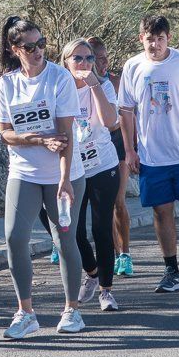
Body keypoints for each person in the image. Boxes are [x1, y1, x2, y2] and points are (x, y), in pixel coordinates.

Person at [0, 16, 87, 338]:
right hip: (24, 172)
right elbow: (5, 134)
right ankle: (26, 312)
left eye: (42, 44)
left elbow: (65, 136)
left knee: (64, 239)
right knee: (14, 237)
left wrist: (64, 181)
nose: (38, 52)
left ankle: (71, 310)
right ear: (14, 49)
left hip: (63, 175)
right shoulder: (7, 84)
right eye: (30, 47)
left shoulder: (59, 79)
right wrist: (35, 138)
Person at [118, 15, 179, 293]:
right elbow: (126, 110)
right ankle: (171, 270)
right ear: (142, 39)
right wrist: (129, 149)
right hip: (152, 156)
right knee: (161, 213)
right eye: (150, 39)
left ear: (168, 39)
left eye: (160, 38)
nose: (155, 44)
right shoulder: (133, 66)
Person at [60, 39, 121, 312]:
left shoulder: (103, 86)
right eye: (77, 59)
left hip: (102, 166)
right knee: (72, 231)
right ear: (66, 62)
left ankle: (106, 291)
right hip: (73, 170)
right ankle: (93, 273)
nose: (84, 64)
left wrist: (95, 85)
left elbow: (110, 122)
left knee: (101, 228)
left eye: (88, 59)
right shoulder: (59, 88)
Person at [88, 36, 134, 277]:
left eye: (106, 57)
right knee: (101, 208)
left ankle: (124, 255)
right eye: (99, 58)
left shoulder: (116, 82)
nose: (105, 62)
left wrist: (130, 148)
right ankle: (113, 252)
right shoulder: (78, 85)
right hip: (92, 146)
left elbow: (126, 117)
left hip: (116, 146)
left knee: (118, 201)